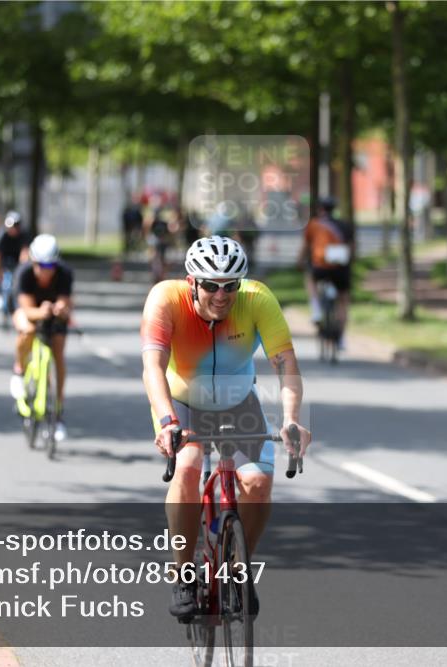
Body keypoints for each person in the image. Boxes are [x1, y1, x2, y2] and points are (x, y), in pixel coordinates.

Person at [140, 235, 312, 618]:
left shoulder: (257, 299)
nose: (222, 295)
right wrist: (167, 420)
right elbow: (153, 367)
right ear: (192, 283)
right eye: (212, 286)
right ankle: (184, 573)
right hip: (182, 403)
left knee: (259, 482)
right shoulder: (166, 299)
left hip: (238, 402)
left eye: (231, 285)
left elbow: (285, 364)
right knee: (186, 468)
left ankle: (237, 568)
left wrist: (292, 420)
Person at [9, 234, 73, 443]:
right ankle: (19, 370)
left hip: (52, 313)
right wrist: (43, 311)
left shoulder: (64, 273)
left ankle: (58, 409)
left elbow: (66, 302)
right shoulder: (24, 273)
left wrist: (62, 308)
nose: (46, 270)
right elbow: (26, 309)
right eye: (41, 265)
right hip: (30, 311)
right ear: (33, 261)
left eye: (51, 265)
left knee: (58, 352)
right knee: (26, 330)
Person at [299, 196, 354, 337]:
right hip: (340, 268)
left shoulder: (313, 224)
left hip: (320, 267)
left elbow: (305, 247)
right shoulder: (344, 225)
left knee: (310, 279)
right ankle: (342, 338)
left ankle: (316, 310)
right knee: (343, 300)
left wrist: (299, 262)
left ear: (320, 209)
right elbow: (351, 248)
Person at [0, 210, 29, 304]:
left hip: (17, 258)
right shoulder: (1, 235)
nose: (13, 228)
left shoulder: (24, 235)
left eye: (16, 225)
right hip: (4, 258)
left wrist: (22, 266)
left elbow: (25, 251)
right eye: (11, 226)